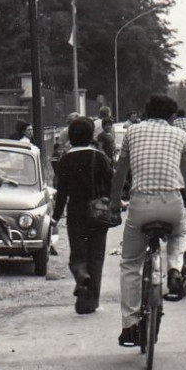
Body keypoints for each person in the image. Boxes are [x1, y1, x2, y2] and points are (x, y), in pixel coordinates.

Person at [111, 94, 186, 348]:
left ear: (146, 112)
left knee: (130, 264)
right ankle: (173, 268)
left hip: (141, 204)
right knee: (180, 233)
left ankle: (130, 325)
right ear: (172, 116)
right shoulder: (180, 136)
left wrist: (115, 202)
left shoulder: (132, 132)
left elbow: (120, 172)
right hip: (172, 202)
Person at [53, 115, 116, 312]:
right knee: (96, 257)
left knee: (78, 254)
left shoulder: (65, 160)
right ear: (91, 135)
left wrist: (55, 217)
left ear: (70, 136)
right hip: (98, 213)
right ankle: (90, 303)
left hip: (75, 213)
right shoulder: (100, 157)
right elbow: (112, 183)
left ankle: (80, 274)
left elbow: (61, 193)